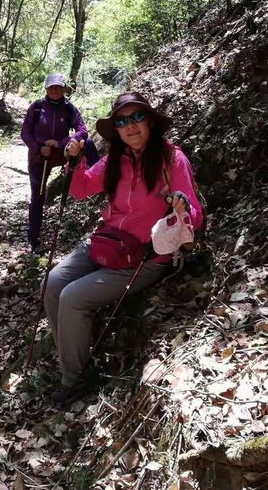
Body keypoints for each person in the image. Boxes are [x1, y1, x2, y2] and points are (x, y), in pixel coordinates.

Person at [42, 92, 204, 405]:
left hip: (147, 254)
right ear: (115, 129)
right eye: (122, 121)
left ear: (150, 121)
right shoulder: (117, 159)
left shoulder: (172, 159)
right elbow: (80, 189)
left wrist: (182, 206)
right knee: (52, 282)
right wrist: (74, 161)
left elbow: (194, 216)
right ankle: (73, 356)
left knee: (73, 297)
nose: (130, 126)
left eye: (137, 117)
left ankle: (75, 378)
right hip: (108, 242)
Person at [20, 73, 88, 251]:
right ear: (46, 88)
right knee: (38, 195)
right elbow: (25, 133)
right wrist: (38, 147)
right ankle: (33, 237)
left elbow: (82, 130)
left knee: (87, 145)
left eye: (58, 87)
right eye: (51, 87)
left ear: (64, 89)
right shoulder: (37, 107)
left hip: (60, 153)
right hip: (39, 156)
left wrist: (62, 142)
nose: (55, 90)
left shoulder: (69, 108)